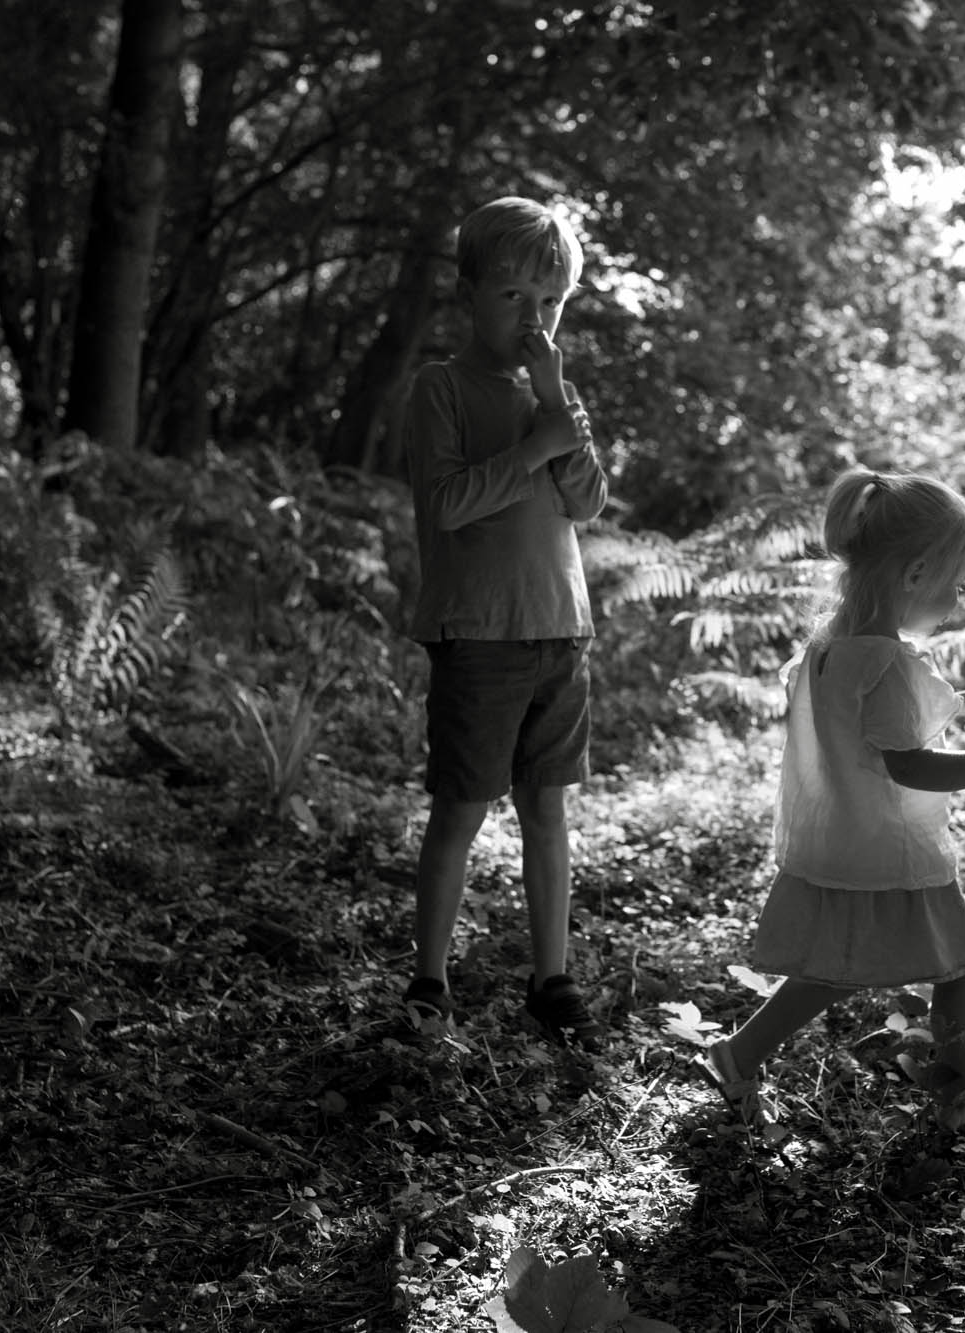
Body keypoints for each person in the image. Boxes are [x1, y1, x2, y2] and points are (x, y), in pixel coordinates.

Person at [697, 470, 965, 1128]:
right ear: (917, 571)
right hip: (897, 851)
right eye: (956, 584)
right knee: (958, 965)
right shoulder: (888, 665)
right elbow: (913, 766)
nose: (957, 599)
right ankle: (957, 1106)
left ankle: (740, 1053)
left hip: (843, 841)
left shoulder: (826, 650)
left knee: (833, 968)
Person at [399, 196, 609, 1045]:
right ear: (470, 293)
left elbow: (587, 501)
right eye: (515, 295)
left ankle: (551, 976)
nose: (535, 317)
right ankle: (428, 979)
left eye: (552, 302)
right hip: (477, 631)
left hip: (559, 627)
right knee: (461, 806)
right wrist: (532, 445)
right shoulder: (441, 389)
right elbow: (447, 504)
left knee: (547, 807)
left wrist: (556, 409)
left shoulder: (553, 397)